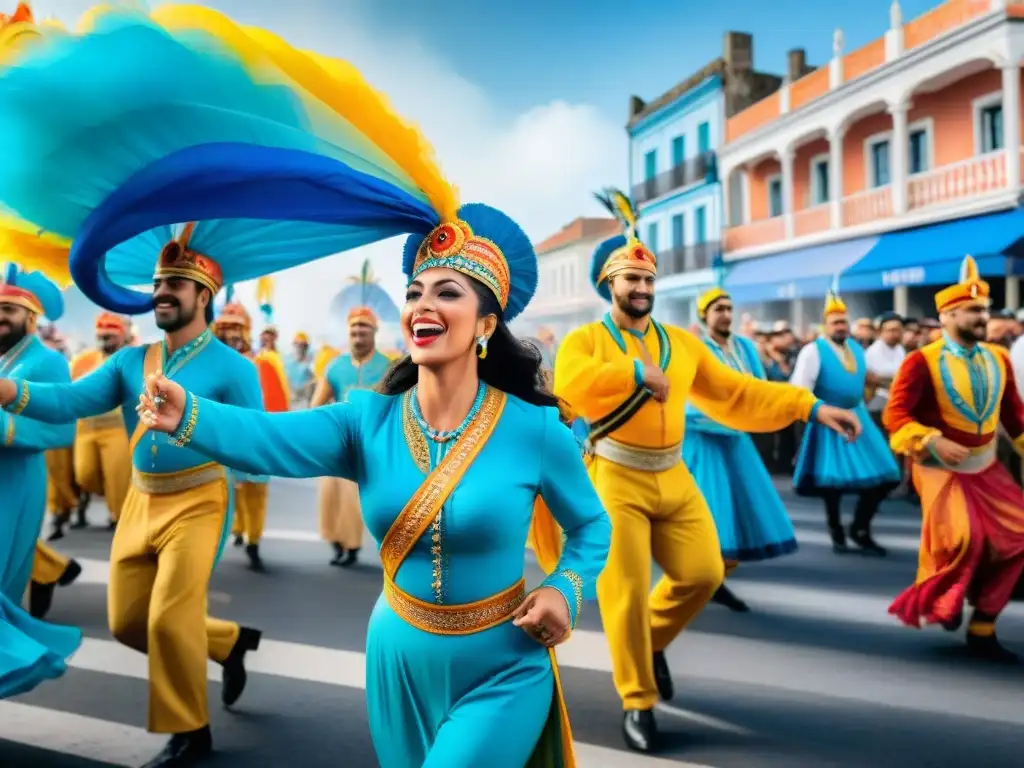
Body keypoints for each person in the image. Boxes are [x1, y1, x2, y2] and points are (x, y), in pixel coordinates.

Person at [0, 8, 610, 765]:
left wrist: (563, 590)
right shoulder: (368, 419)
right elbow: (272, 439)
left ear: (486, 324)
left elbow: (590, 531)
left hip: (503, 666)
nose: (424, 305)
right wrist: (185, 410)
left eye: (448, 293)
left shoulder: (533, 430)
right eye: (417, 291)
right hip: (395, 654)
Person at [553, 188, 861, 754]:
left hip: (673, 475)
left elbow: (736, 394)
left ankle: (651, 642)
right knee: (621, 593)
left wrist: (810, 407)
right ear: (609, 285)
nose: (642, 289)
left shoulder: (684, 345)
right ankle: (638, 698)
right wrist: (633, 375)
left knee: (704, 573)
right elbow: (568, 388)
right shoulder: (586, 340)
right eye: (631, 280)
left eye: (649, 282)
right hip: (615, 476)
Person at [885, 256, 1024, 662]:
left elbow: (1014, 416)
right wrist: (931, 439)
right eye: (975, 310)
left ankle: (983, 627)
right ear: (947, 316)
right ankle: (947, 596)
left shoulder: (999, 358)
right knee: (966, 538)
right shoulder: (920, 361)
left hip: (986, 467)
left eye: (985, 309)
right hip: (938, 468)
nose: (984, 316)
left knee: (1017, 538)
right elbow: (896, 416)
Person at [683, 283, 799, 615]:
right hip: (704, 441)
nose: (725, 315)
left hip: (737, 440)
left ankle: (714, 580)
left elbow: (758, 389)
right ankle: (701, 583)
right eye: (718, 309)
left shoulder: (745, 347)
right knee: (710, 515)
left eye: (729, 309)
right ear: (704, 316)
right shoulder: (694, 348)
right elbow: (687, 397)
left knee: (738, 513)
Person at [0, 263, 82, 698]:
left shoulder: (48, 363)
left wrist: (5, 428)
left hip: (14, 487)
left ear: (32, 318)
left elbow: (61, 431)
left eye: (9, 309)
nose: (0, 316)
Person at [790, 287, 901, 556]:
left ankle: (860, 527)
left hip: (859, 415)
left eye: (844, 321)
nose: (841, 326)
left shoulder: (855, 348)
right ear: (825, 325)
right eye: (835, 322)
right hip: (829, 418)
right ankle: (835, 528)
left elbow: (866, 379)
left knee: (888, 475)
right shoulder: (812, 351)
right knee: (833, 483)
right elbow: (798, 389)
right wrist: (811, 418)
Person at [310, 305, 392, 567]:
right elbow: (316, 405)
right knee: (330, 497)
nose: (359, 333)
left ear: (374, 331)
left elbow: (398, 406)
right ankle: (336, 542)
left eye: (364, 327)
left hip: (371, 445)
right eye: (354, 327)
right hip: (338, 443)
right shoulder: (335, 366)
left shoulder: (388, 366)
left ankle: (352, 546)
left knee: (352, 498)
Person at [211, 296, 278, 572]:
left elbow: (275, 401)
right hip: (223, 441)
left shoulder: (263, 363)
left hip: (257, 439)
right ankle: (234, 531)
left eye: (237, 327)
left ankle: (253, 541)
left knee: (256, 491)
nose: (232, 333)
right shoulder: (211, 364)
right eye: (226, 327)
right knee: (227, 491)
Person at [68, 311, 132, 531]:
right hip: (85, 426)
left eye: (110, 336)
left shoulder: (133, 360)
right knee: (84, 474)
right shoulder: (82, 361)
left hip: (118, 428)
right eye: (102, 336)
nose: (106, 340)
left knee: (118, 477)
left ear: (123, 336)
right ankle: (94, 495)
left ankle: (119, 518)